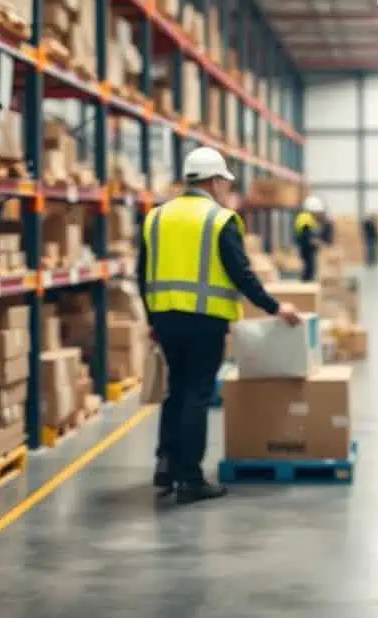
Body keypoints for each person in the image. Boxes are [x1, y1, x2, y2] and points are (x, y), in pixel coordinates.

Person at [138, 146, 301, 503]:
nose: (227, 190)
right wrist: (275, 307)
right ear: (212, 182)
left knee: (176, 390)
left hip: (165, 318)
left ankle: (165, 466)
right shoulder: (219, 220)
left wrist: (152, 318)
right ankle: (191, 478)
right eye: (225, 183)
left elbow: (142, 273)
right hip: (204, 320)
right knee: (196, 393)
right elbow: (240, 273)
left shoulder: (156, 217)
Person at [294, 195, 324, 281]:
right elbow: (306, 234)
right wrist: (314, 241)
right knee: (309, 267)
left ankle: (308, 283)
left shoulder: (307, 217)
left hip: (306, 247)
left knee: (309, 267)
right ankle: (307, 284)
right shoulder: (305, 218)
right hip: (305, 247)